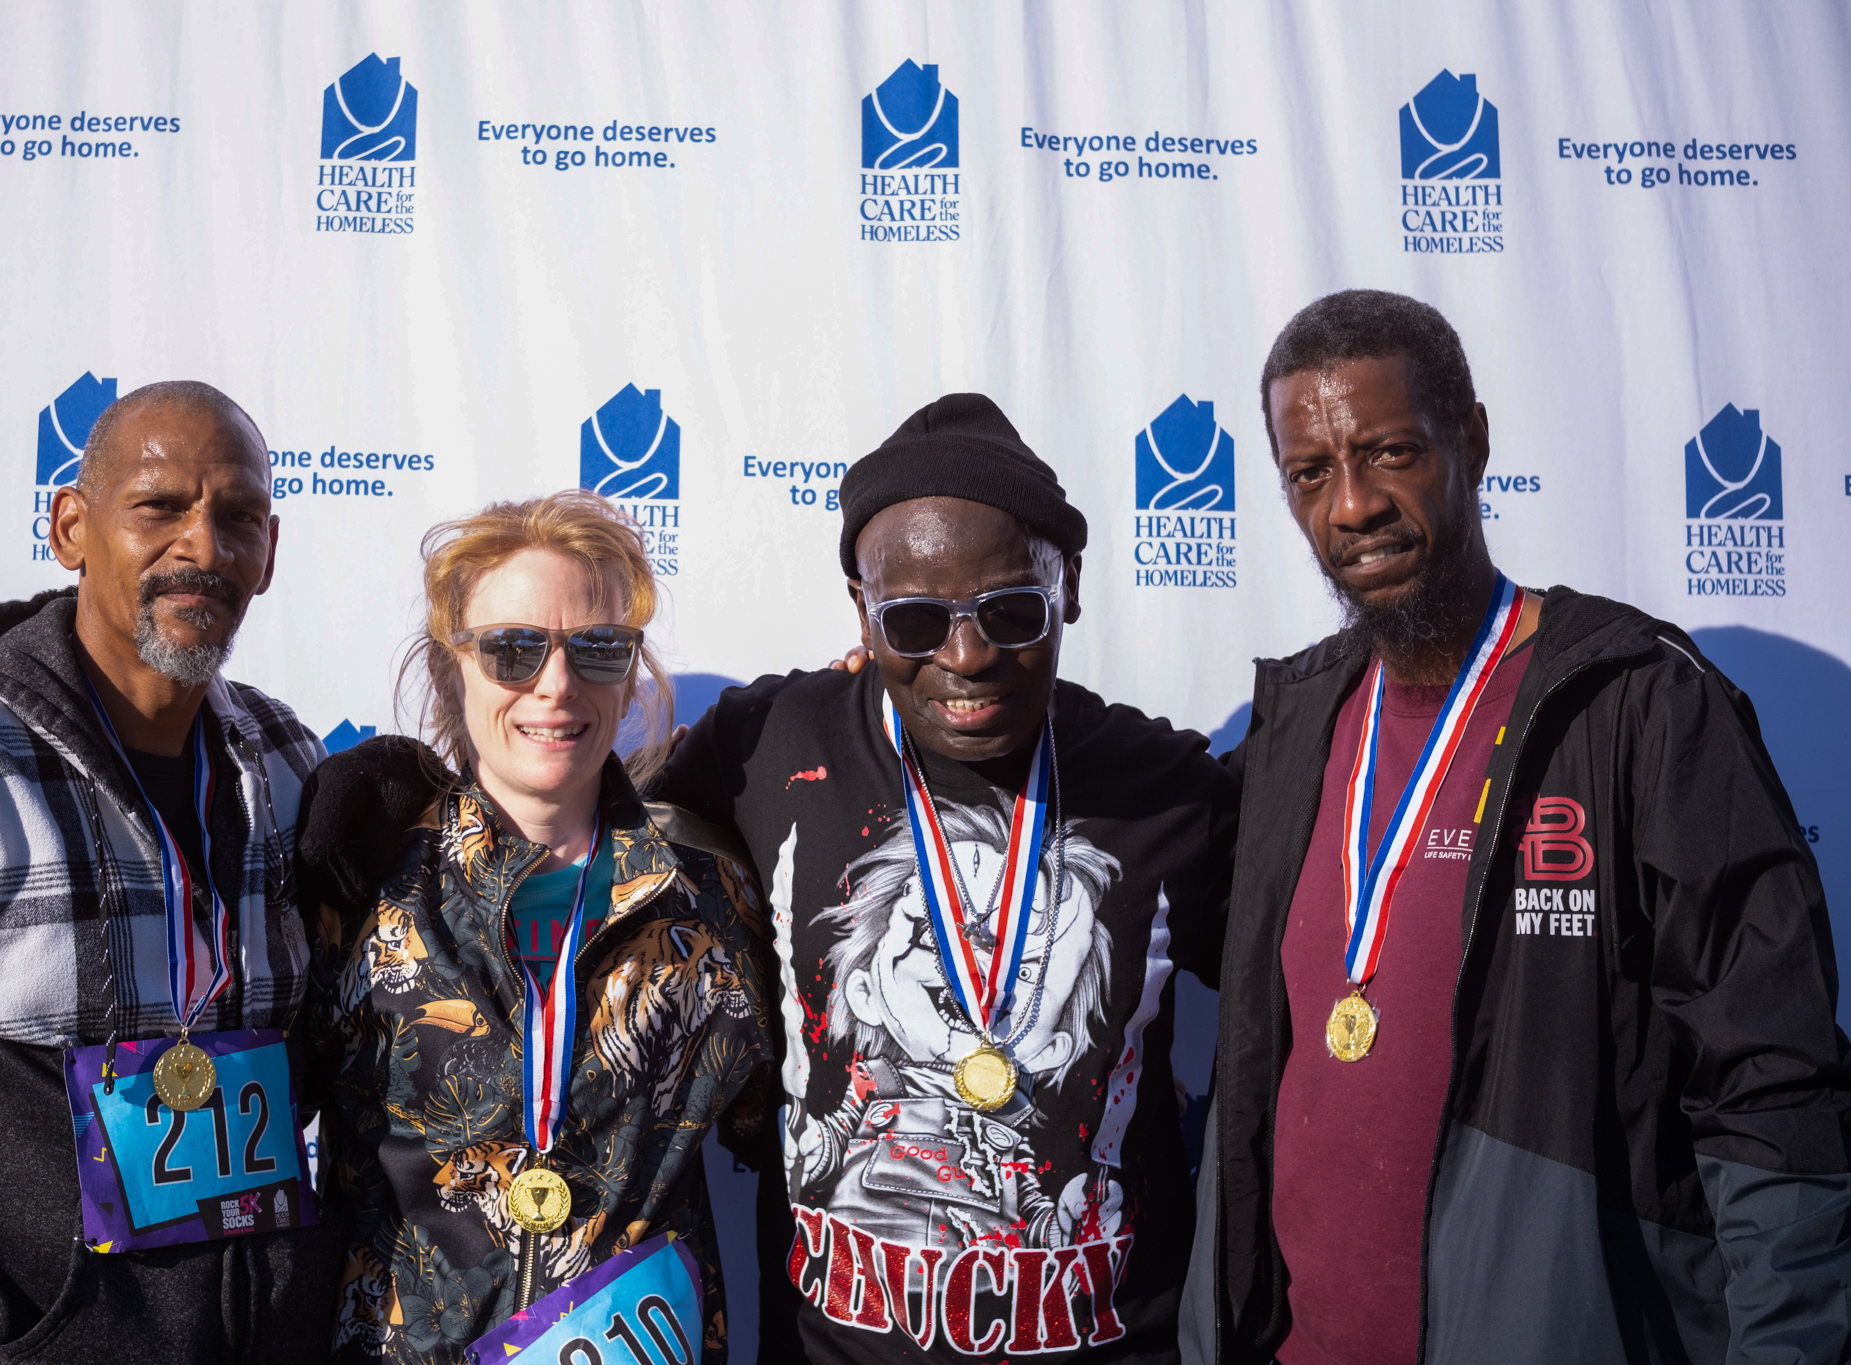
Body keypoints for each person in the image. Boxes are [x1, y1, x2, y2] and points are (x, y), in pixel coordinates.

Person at [307, 396, 1240, 1364]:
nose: (962, 656)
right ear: (863, 611)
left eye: (1009, 612)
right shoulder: (763, 747)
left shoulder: (1164, 786)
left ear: (1069, 589)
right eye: (913, 622)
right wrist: (394, 782)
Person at [1181, 290, 1851, 1364]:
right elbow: (1095, 825)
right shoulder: (1286, 735)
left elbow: (1771, 1087)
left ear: (1471, 441)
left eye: (1390, 452)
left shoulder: (1635, 705)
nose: (1350, 505)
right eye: (1310, 473)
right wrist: (882, 704)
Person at [0, 382, 339, 1362]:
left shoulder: (287, 762)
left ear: (269, 552)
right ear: (69, 528)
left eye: (238, 517)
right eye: (159, 506)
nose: (202, 546)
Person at [295, 491, 770, 1364]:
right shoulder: (364, 884)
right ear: (452, 669)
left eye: (597, 648)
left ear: (631, 672)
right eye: (514, 649)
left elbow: (796, 1129)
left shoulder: (709, 896)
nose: (556, 684)